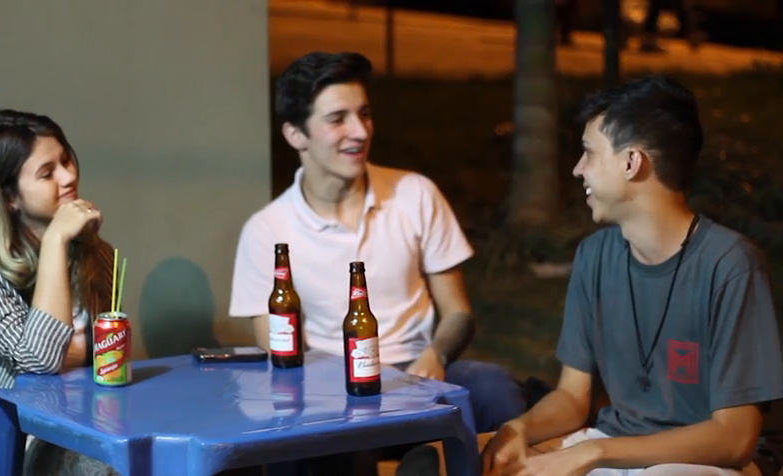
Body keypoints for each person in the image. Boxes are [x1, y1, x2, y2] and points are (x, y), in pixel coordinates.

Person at [228, 51, 526, 468]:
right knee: (312, 439)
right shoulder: (267, 230)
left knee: (495, 388)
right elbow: (278, 355)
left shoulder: (414, 193)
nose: (359, 131)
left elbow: (458, 311)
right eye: (338, 119)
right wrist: (339, 396)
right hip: (330, 389)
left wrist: (436, 355)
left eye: (364, 114)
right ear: (296, 135)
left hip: (417, 376)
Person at [481, 75, 783, 476]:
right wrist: (518, 428)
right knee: (476, 455)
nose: (578, 169)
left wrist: (594, 453)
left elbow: (735, 438)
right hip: (615, 448)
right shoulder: (594, 256)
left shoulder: (730, 265)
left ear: (631, 162)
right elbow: (572, 397)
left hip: (705, 464)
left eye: (589, 153)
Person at [0, 109, 119, 476]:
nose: (68, 177)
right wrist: (55, 240)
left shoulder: (96, 255)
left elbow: (108, 363)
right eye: (47, 173)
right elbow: (39, 359)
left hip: (69, 445)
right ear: (8, 197)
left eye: (66, 160)